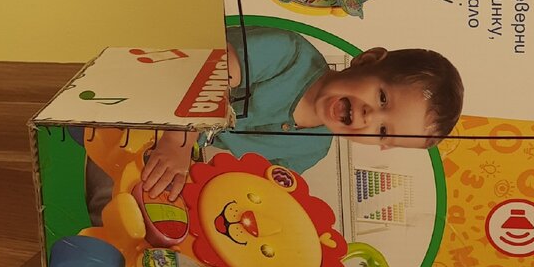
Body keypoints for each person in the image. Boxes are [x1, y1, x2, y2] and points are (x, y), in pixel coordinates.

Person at [141, 24, 464, 199]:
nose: (369, 117)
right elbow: (205, 72)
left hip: (156, 148)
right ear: (367, 60)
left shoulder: (312, 150)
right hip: (148, 88)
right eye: (382, 98)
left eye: (382, 131)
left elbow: (254, 188)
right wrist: (178, 143)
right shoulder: (288, 54)